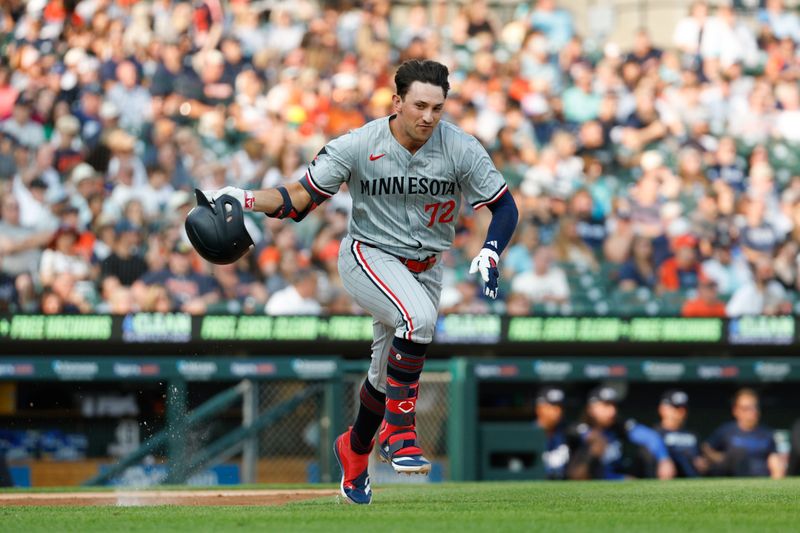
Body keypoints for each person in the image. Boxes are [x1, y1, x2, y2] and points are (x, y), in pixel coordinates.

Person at [201, 60, 518, 504]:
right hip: (368, 254)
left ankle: (355, 448)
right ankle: (399, 432)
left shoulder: (461, 147)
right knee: (419, 321)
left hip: (427, 266)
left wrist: (490, 249)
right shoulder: (358, 143)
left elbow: (505, 207)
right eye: (420, 105)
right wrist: (244, 197)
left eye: (438, 108)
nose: (428, 116)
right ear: (398, 102)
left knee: (384, 373)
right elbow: (299, 199)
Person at [566, 386, 675, 480]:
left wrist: (664, 458)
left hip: (616, 475)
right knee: (597, 443)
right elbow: (581, 435)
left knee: (647, 451)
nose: (612, 411)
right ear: (591, 408)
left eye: (614, 405)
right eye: (606, 405)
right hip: (584, 478)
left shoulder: (619, 426)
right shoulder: (578, 427)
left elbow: (650, 436)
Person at [703, 388, 786, 478]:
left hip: (761, 480)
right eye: (746, 408)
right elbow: (707, 448)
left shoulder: (767, 433)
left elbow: (774, 462)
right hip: (733, 480)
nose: (752, 411)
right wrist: (722, 459)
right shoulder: (726, 431)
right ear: (736, 411)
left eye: (755, 407)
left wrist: (777, 476)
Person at [654, 390, 707, 478]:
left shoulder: (693, 435)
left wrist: (702, 463)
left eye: (684, 408)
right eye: (676, 408)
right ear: (662, 409)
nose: (682, 412)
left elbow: (700, 460)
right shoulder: (653, 435)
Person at [535, 386, 569, 480]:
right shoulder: (529, 434)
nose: (558, 410)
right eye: (553, 405)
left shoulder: (567, 433)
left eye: (560, 406)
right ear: (539, 407)